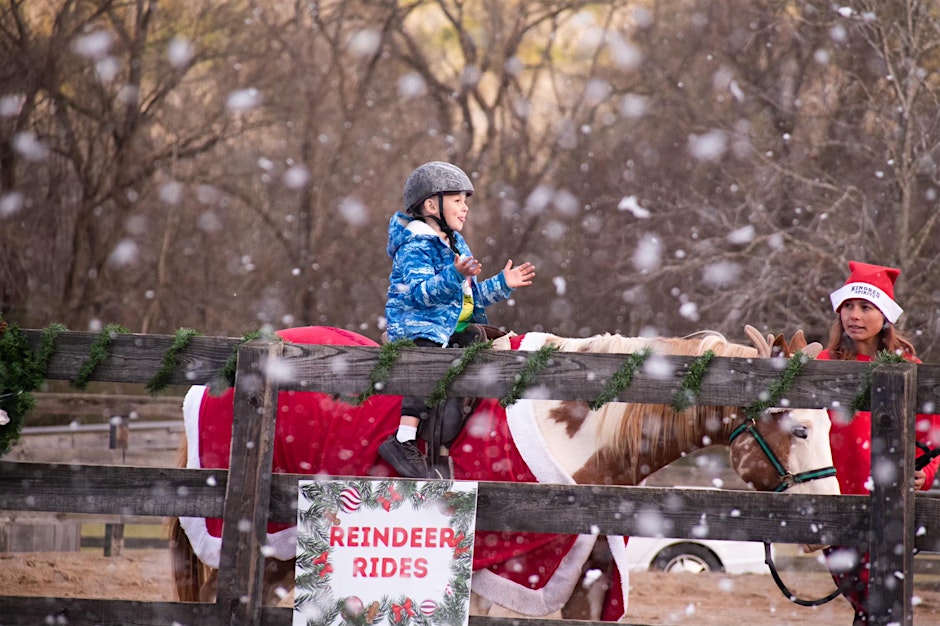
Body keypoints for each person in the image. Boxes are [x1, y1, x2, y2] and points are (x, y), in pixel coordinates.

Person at [380, 161, 536, 478]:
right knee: (429, 357)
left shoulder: (454, 243)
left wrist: (503, 283)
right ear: (430, 204)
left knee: (479, 338)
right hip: (417, 327)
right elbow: (422, 294)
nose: (465, 209)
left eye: (466, 202)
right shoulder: (415, 245)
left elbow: (470, 299)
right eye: (457, 201)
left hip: (449, 328)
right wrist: (454, 274)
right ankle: (404, 438)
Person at [817, 261, 940, 624]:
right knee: (859, 595)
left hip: (887, 502)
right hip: (833, 498)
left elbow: (930, 436)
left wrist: (926, 472)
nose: (854, 316)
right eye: (848, 307)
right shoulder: (824, 364)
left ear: (884, 314)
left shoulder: (906, 365)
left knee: (880, 599)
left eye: (866, 307)